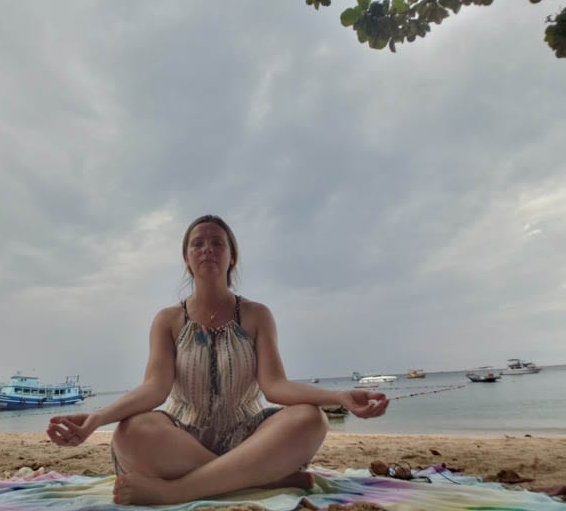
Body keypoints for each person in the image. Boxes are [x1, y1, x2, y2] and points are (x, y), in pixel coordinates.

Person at [47, 214, 389, 505]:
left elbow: (275, 386)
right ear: (187, 258)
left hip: (248, 436)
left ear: (232, 257)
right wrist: (96, 419)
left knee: (311, 420)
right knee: (130, 432)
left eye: (217, 243)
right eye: (198, 243)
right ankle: (258, 481)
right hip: (183, 440)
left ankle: (178, 492)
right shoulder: (168, 320)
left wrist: (338, 397)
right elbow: (155, 389)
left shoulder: (256, 315)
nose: (207, 248)